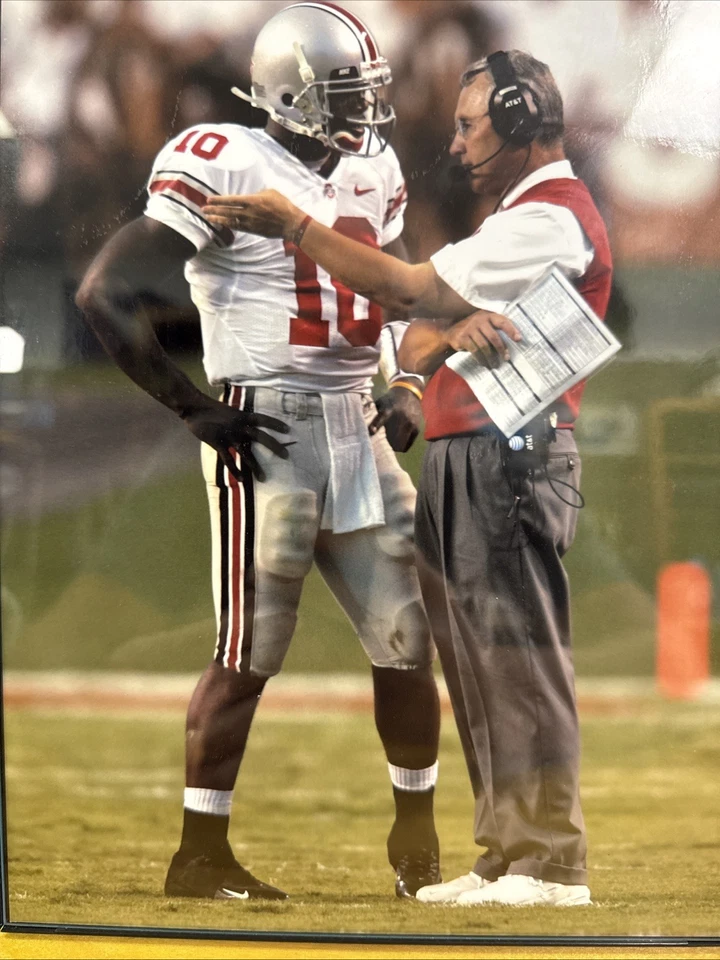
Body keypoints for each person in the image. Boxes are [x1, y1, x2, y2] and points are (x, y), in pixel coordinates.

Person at [203, 49, 613, 907]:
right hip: (474, 453)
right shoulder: (522, 217)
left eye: (471, 127)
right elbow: (422, 332)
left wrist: (297, 230)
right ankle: (508, 853)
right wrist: (435, 340)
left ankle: (549, 861)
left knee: (516, 661)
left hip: (512, 452)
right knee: (475, 666)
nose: (457, 145)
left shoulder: (549, 218)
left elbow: (406, 288)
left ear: (521, 119)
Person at [76, 2, 443, 902]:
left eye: (368, 88)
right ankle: (200, 854)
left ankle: (417, 841)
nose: (365, 109)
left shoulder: (374, 166)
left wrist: (402, 385)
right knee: (248, 652)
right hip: (267, 430)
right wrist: (195, 409)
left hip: (359, 426)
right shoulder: (227, 158)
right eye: (347, 90)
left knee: (410, 639)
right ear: (293, 91)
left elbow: (385, 291)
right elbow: (104, 292)